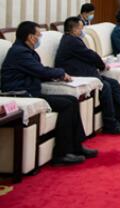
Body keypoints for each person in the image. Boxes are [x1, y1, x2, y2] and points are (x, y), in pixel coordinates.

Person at [0, 21, 97, 165]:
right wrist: (61, 73)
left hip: (31, 91)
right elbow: (40, 71)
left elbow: (39, 70)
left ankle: (76, 147)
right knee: (66, 105)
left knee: (71, 100)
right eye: (38, 35)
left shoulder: (26, 51)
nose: (40, 38)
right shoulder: (20, 52)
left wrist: (57, 75)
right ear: (30, 37)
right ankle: (61, 154)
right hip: (22, 94)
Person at [55, 16, 120, 134]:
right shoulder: (71, 41)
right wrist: (102, 65)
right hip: (76, 75)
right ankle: (110, 123)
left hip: (85, 72)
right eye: (81, 28)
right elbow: (90, 55)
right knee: (106, 86)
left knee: (113, 83)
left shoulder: (71, 39)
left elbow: (88, 56)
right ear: (74, 29)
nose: (82, 31)